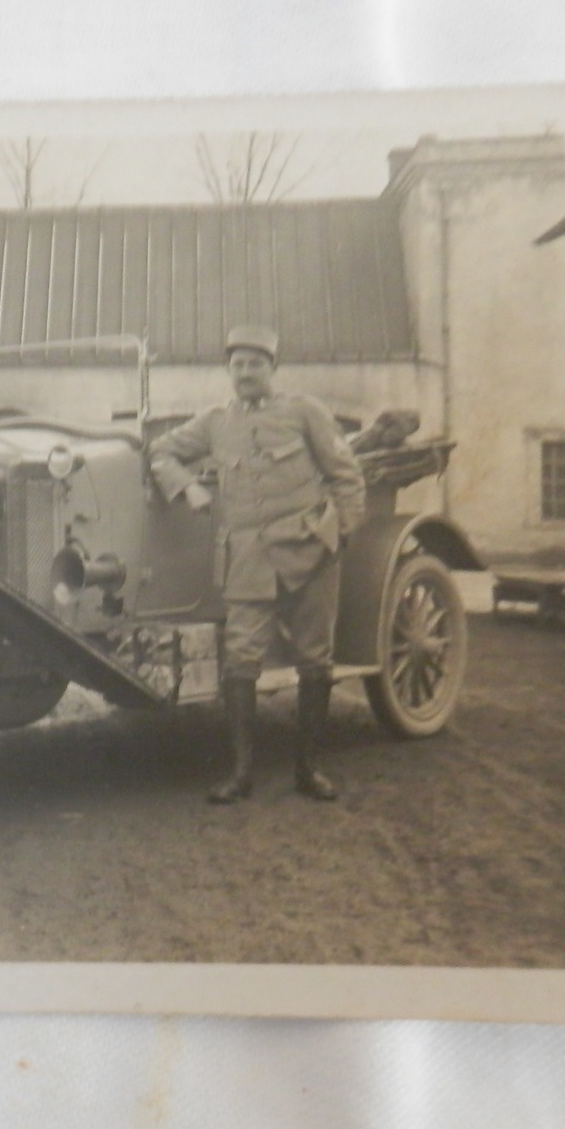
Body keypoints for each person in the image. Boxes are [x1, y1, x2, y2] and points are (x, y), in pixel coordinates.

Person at [149, 324, 366, 803]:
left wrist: (340, 534)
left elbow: (346, 475)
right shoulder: (213, 422)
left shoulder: (304, 412)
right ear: (228, 372)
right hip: (247, 559)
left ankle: (308, 770)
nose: (246, 373)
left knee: (315, 659)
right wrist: (188, 486)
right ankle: (241, 773)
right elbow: (160, 451)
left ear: (272, 369)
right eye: (238, 365)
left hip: (310, 553)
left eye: (255, 364)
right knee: (241, 661)